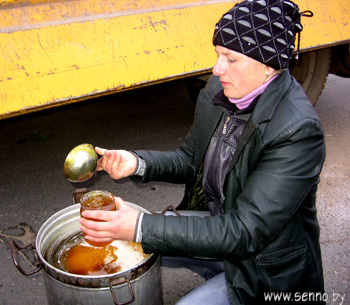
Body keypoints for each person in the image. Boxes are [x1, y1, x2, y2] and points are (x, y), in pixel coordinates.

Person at [79, 0, 326, 304]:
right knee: (136, 244)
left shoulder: (297, 130)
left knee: (147, 240)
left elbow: (245, 232)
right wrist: (137, 163)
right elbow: (189, 160)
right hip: (223, 231)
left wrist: (140, 226)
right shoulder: (219, 92)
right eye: (218, 54)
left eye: (230, 58)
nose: (216, 68)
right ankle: (217, 275)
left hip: (264, 270)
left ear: (268, 66)